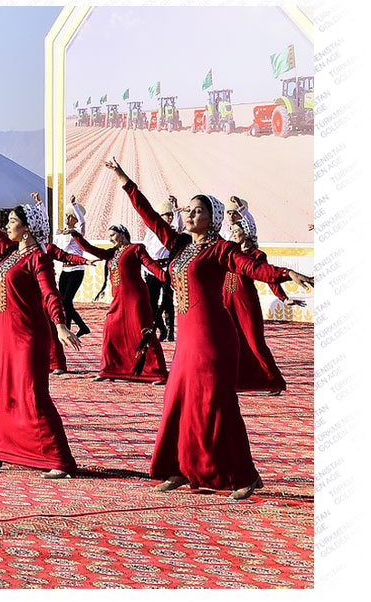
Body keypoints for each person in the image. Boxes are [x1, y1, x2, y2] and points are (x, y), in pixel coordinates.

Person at [105, 157, 313, 499]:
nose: (191, 215)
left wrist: (285, 274)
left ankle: (245, 476)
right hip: (187, 339)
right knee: (179, 401)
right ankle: (179, 468)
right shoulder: (181, 248)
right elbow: (150, 218)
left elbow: (250, 267)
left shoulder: (221, 249)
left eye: (198, 211)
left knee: (216, 404)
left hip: (214, 338)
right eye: (189, 211)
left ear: (212, 219)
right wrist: (125, 180)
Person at [0, 167, 82, 479]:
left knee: (31, 393)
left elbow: (51, 294)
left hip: (27, 337)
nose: (6, 225)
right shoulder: (7, 251)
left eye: (12, 222)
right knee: (1, 392)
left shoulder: (39, 258)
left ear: (27, 228)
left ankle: (59, 458)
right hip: (3, 336)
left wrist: (60, 325)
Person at [67, 222, 170, 385]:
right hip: (118, 299)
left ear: (122, 234)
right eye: (109, 236)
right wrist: (76, 236)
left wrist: (167, 278)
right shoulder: (113, 253)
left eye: (113, 235)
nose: (110, 239)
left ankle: (157, 372)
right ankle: (110, 369)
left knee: (142, 331)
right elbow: (94, 251)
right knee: (111, 328)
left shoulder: (136, 249)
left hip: (135, 298)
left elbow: (151, 265)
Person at [224, 220, 304, 395]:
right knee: (230, 342)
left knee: (255, 341)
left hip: (245, 303)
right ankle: (235, 381)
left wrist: (283, 298)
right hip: (226, 302)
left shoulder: (257, 255)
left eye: (238, 231)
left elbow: (268, 276)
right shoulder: (230, 252)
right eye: (233, 231)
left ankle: (274, 381)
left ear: (246, 232)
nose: (234, 234)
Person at [141, 197, 184, 341]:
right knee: (151, 302)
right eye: (167, 214)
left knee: (167, 300)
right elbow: (145, 250)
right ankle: (161, 328)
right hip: (153, 269)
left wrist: (176, 208)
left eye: (171, 215)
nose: (170, 217)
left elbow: (179, 227)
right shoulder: (152, 231)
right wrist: (145, 270)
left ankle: (171, 330)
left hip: (166, 269)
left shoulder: (172, 231)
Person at [50, 195, 90, 337]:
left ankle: (71, 328)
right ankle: (77, 327)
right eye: (66, 216)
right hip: (65, 269)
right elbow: (57, 249)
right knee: (62, 301)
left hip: (76, 269)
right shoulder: (62, 233)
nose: (66, 219)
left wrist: (74, 205)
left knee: (67, 300)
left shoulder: (78, 232)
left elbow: (83, 222)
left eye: (70, 216)